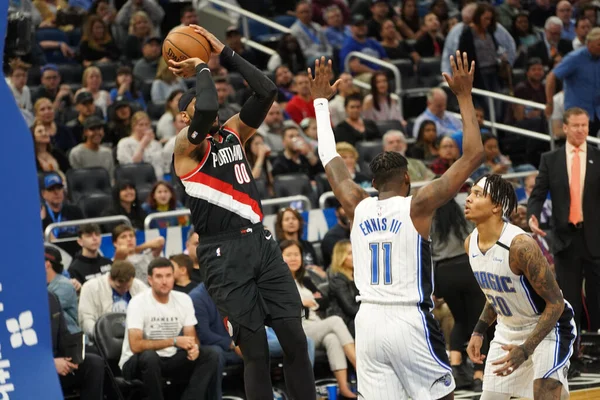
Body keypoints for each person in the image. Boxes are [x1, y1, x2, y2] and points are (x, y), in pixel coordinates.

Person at [309, 51, 484, 399]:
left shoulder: (356, 204)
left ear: (372, 182)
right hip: (408, 320)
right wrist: (464, 95)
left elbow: (330, 159)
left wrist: (319, 103)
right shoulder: (417, 205)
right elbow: (473, 155)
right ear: (407, 178)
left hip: (368, 321)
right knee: (442, 395)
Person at [169, 25, 316, 399]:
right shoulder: (185, 148)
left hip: (261, 243)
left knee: (296, 340)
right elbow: (205, 107)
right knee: (255, 352)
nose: (214, 109)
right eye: (198, 110)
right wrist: (203, 66)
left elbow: (267, 90)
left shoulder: (234, 133)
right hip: (221, 253)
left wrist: (224, 53)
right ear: (184, 119)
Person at [464, 174, 577, 400]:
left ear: (496, 206)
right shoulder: (470, 243)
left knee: (545, 394)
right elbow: (496, 294)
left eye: (477, 194)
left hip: (548, 328)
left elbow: (555, 304)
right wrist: (478, 330)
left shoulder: (520, 246)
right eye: (470, 193)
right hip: (508, 330)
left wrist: (526, 349)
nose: (468, 199)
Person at [527, 107, 600, 378]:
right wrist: (533, 216)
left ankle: (596, 352)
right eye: (576, 125)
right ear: (565, 128)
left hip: (596, 239)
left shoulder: (597, 157)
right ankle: (573, 357)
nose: (581, 129)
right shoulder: (551, 159)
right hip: (565, 240)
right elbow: (537, 194)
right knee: (569, 304)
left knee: (597, 300)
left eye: (585, 125)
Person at [119, 258, 220, 400]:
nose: (164, 281)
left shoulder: (184, 299)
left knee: (211, 353)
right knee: (150, 356)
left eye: (168, 276)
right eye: (159, 277)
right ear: (150, 280)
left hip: (169, 358)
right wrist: (174, 341)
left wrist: (194, 348)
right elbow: (136, 346)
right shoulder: (138, 302)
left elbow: (190, 338)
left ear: (174, 277)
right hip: (134, 362)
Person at [281, 240, 357, 398]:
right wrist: (301, 302)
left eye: (297, 254)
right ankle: (360, 368)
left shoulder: (306, 280)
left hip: (316, 325)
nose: (294, 258)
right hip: (298, 328)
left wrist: (309, 303)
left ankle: (343, 387)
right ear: (279, 258)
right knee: (335, 321)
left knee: (332, 338)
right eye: (289, 255)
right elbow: (282, 306)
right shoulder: (278, 283)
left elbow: (324, 301)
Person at [431, 197, 485, 391]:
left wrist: (433, 287)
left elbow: (427, 252)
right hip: (468, 267)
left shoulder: (430, 220)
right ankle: (479, 373)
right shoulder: (464, 214)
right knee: (479, 323)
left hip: (444, 273)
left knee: (459, 320)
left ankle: (455, 367)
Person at [49, 292, 104, 400]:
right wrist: (50, 364)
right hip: (32, 369)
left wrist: (73, 357)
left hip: (58, 361)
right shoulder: (15, 302)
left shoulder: (51, 298)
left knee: (94, 363)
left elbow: (63, 335)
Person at [78, 260, 146, 340]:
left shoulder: (140, 287)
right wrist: (101, 337)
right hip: (102, 339)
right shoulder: (90, 288)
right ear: (110, 278)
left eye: (128, 287)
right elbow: (86, 319)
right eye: (119, 287)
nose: (124, 290)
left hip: (133, 338)